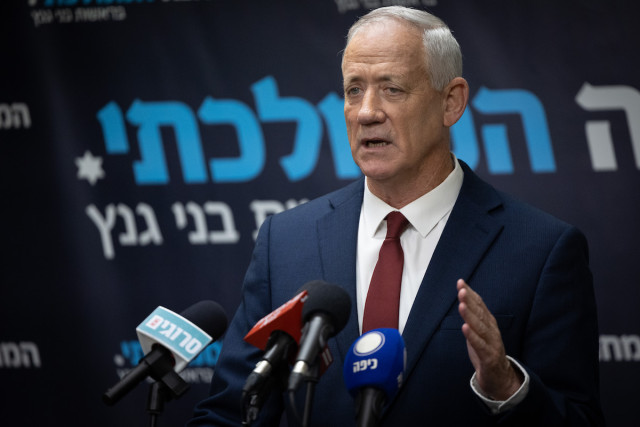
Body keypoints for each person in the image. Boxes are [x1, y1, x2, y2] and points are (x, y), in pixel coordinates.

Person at [189, 6, 604, 426]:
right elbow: (230, 412)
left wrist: (507, 388)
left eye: (392, 89)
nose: (366, 112)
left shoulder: (540, 250)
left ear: (451, 102)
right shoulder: (286, 242)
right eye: (354, 90)